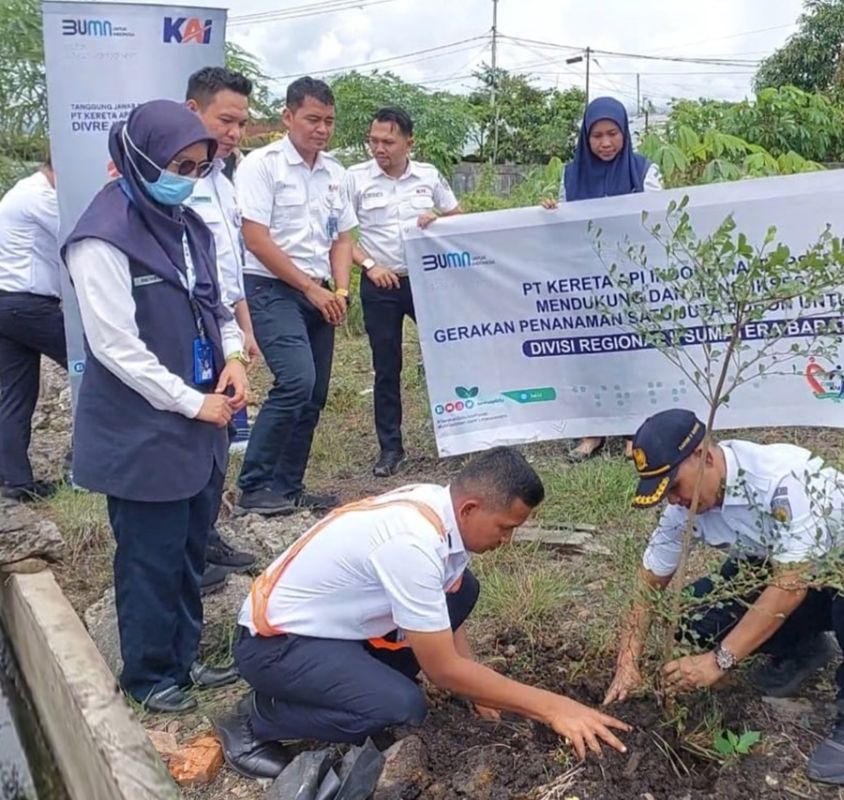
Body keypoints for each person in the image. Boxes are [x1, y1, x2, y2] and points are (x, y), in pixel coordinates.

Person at [216, 447, 630, 779]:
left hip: (334, 631)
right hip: (275, 647)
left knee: (463, 590)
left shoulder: (443, 511)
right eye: (505, 527)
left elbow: (451, 612)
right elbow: (443, 670)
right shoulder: (412, 543)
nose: (508, 540)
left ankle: (349, 686)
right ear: (470, 508)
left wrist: (479, 687)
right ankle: (255, 719)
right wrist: (556, 707)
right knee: (400, 707)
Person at [603, 409, 844, 786]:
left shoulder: (780, 480)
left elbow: (791, 584)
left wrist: (718, 661)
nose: (673, 500)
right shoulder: (682, 509)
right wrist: (627, 662)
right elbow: (649, 588)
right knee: (690, 612)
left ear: (704, 456)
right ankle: (804, 649)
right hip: (793, 581)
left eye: (674, 486)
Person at [62, 100, 250, 713]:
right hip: (144, 427)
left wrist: (233, 359)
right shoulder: (102, 237)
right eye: (178, 164)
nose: (190, 178)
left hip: (199, 417)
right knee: (150, 556)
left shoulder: (188, 222)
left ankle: (185, 658)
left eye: (200, 166)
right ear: (139, 158)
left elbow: (214, 304)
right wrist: (190, 403)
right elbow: (116, 347)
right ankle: (148, 676)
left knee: (191, 547)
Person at [233, 77, 356, 516]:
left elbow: (342, 239)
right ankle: (252, 487)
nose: (321, 129)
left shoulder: (336, 174)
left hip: (320, 291)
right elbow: (256, 238)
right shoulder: (261, 165)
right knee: (295, 381)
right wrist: (309, 288)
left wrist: (339, 290)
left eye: (328, 121)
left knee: (316, 392)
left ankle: (287, 486)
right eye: (312, 119)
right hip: (271, 287)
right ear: (288, 117)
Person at [541, 96, 662, 463]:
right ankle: (592, 430)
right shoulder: (571, 176)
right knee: (588, 356)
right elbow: (562, 229)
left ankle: (633, 430)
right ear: (586, 137)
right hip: (586, 282)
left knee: (631, 355)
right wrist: (551, 214)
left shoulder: (644, 172)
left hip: (631, 281)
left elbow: (658, 222)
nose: (606, 143)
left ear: (625, 133)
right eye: (597, 136)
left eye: (613, 134)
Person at [345, 106, 462, 478]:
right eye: (374, 141)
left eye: (388, 141)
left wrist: (438, 220)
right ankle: (390, 449)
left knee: (447, 356)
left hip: (427, 282)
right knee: (386, 366)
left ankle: (460, 435)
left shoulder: (428, 176)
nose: (379, 148)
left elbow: (459, 218)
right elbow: (342, 238)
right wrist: (369, 266)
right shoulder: (354, 179)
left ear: (408, 142)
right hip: (380, 282)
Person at [184, 66, 260, 585]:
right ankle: (190, 549)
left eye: (240, 123)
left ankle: (205, 538)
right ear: (193, 112)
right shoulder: (174, 183)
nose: (233, 133)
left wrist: (243, 329)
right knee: (192, 437)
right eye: (225, 120)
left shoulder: (224, 181)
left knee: (220, 439)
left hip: (223, 327)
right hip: (186, 330)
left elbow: (227, 268)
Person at [0, 158, 67, 502]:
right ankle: (83, 462)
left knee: (14, 394)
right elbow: (76, 231)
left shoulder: (24, 191)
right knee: (98, 365)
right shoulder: (40, 196)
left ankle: (15, 481)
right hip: (28, 305)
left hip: (9, 304)